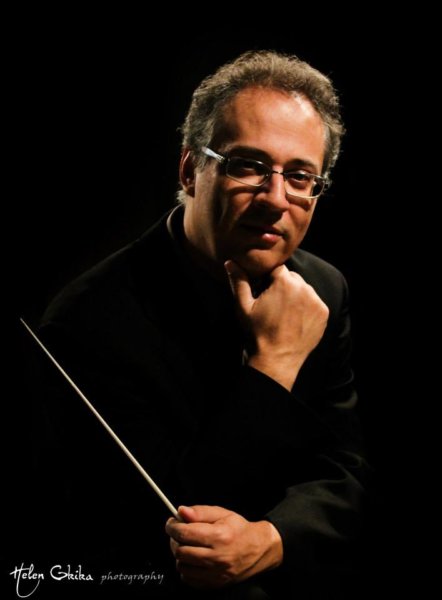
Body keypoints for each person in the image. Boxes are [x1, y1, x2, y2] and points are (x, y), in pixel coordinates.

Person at [32, 51, 369, 599]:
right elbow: (162, 528)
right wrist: (274, 365)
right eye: (248, 166)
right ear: (191, 171)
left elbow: (346, 468)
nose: (276, 199)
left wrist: (275, 537)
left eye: (299, 176)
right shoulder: (88, 323)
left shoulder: (324, 289)